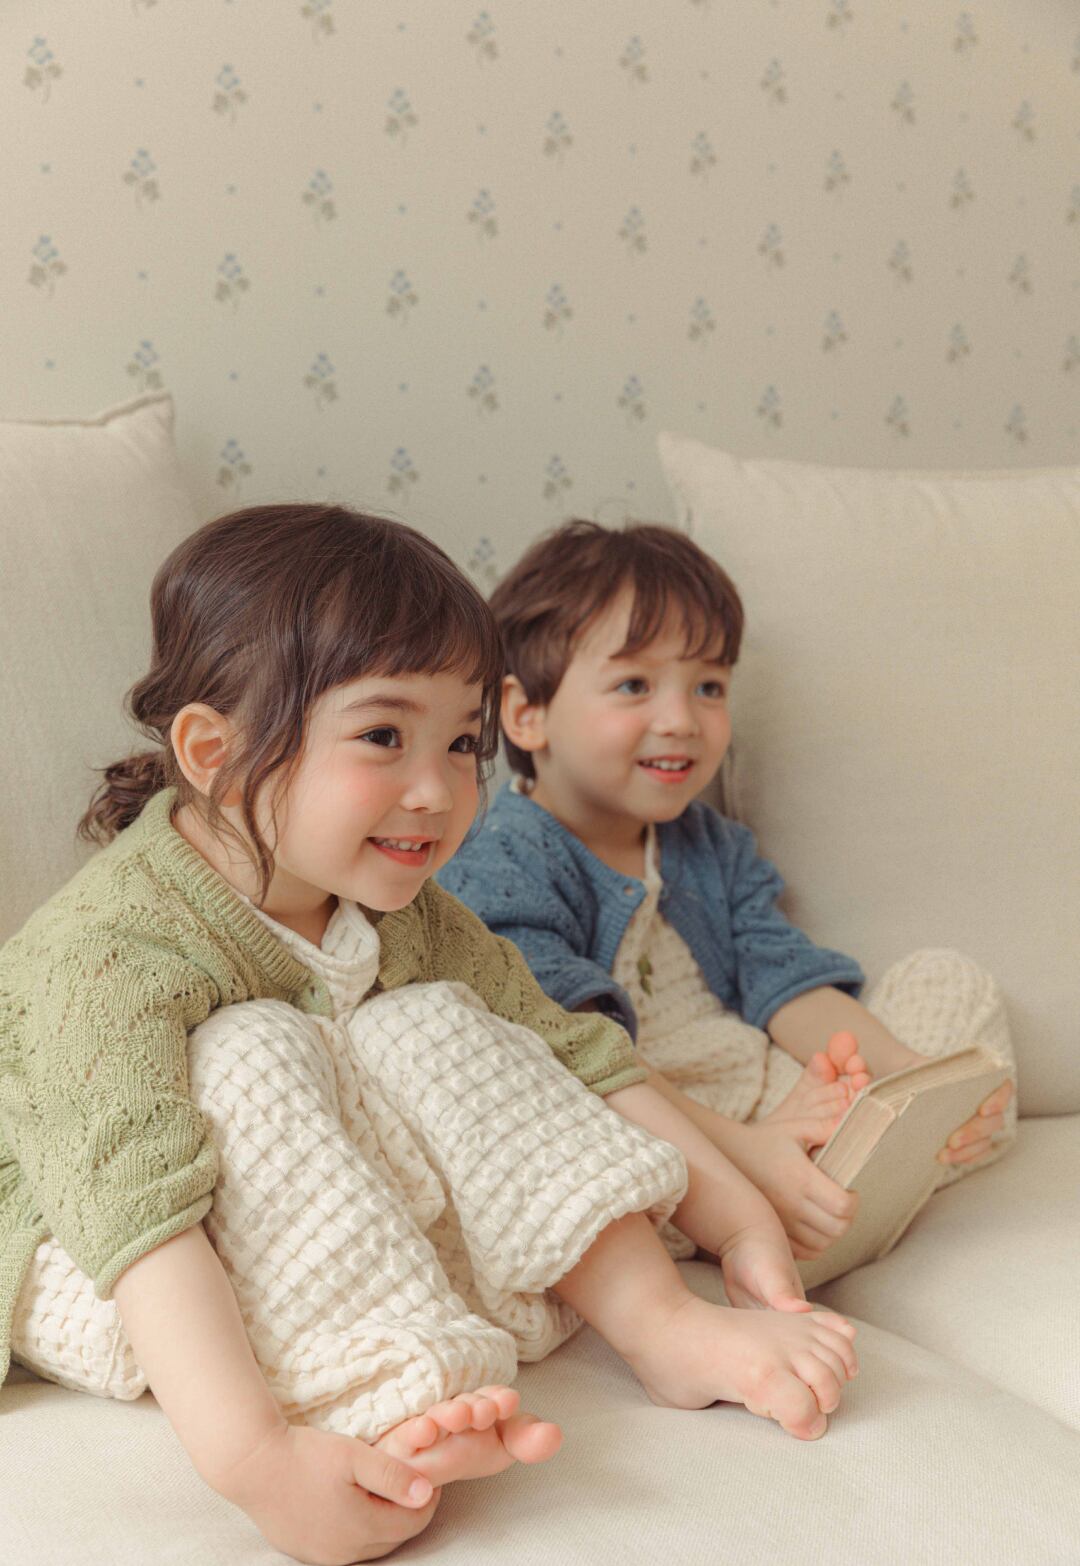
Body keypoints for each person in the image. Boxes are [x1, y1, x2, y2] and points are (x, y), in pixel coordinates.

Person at [0, 505, 858, 1566]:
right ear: (216, 753)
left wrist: (736, 1223)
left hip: (306, 1230)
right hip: (101, 1259)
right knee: (251, 1046)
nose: (439, 791)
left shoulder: (401, 907)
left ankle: (661, 1328)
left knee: (434, 1019)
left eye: (462, 744)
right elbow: (135, 1213)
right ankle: (382, 1395)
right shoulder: (107, 955)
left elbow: (571, 1050)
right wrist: (260, 1465)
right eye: (383, 738)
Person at [438, 519, 1017, 1263]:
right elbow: (578, 1055)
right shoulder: (503, 861)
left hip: (762, 1094)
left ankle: (860, 1178)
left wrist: (907, 1082)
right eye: (635, 685)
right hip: (651, 1117)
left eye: (708, 687)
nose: (682, 720)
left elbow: (784, 981)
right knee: (584, 1144)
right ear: (526, 714)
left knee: (948, 981)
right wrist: (744, 1151)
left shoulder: (710, 845)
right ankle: (790, 1206)